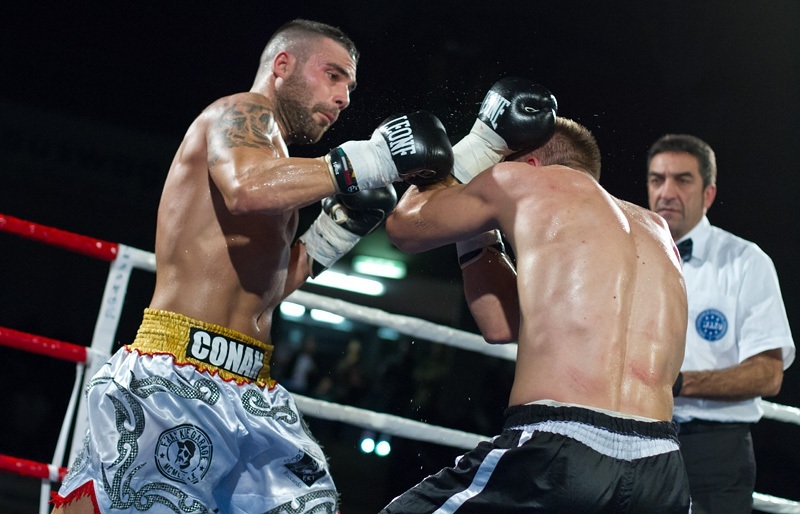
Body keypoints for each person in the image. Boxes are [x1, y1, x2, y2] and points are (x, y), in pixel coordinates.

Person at [51, 18, 455, 514]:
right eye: (333, 75)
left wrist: (333, 233)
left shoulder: (282, 168)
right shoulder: (237, 113)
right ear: (282, 66)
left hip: (251, 390)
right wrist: (370, 159)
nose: (345, 97)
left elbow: (267, 286)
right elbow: (245, 189)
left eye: (350, 86)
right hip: (176, 375)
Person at [381, 110, 692, 512]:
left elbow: (406, 226)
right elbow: (499, 324)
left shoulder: (523, 180)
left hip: (558, 452)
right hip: (661, 468)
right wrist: (478, 232)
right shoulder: (655, 228)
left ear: (528, 164)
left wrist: (479, 148)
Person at [646, 134, 795, 513]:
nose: (666, 192)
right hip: (638, 438)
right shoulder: (630, 257)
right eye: (656, 179)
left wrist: (675, 383)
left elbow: (768, 374)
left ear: (708, 194)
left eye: (682, 180)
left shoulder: (746, 262)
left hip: (713, 449)